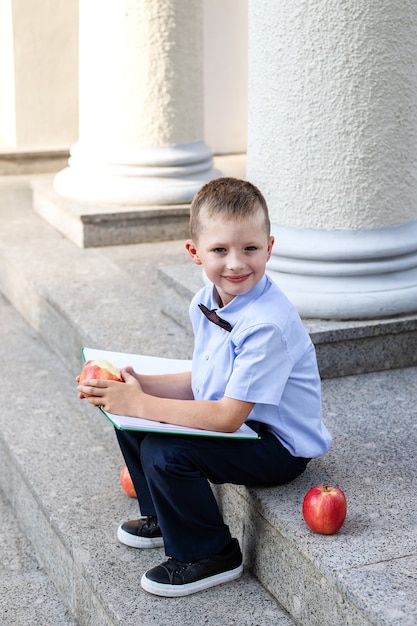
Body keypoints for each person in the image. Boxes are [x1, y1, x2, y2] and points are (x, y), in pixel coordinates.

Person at [77, 177, 332, 598]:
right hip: (239, 420)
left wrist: (144, 403)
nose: (236, 263)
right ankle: (164, 513)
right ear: (195, 253)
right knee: (131, 417)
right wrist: (132, 388)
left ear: (269, 247)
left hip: (277, 446)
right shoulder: (206, 300)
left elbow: (228, 417)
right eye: (220, 250)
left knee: (165, 448)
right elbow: (202, 379)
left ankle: (209, 554)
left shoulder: (266, 323)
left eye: (250, 249)